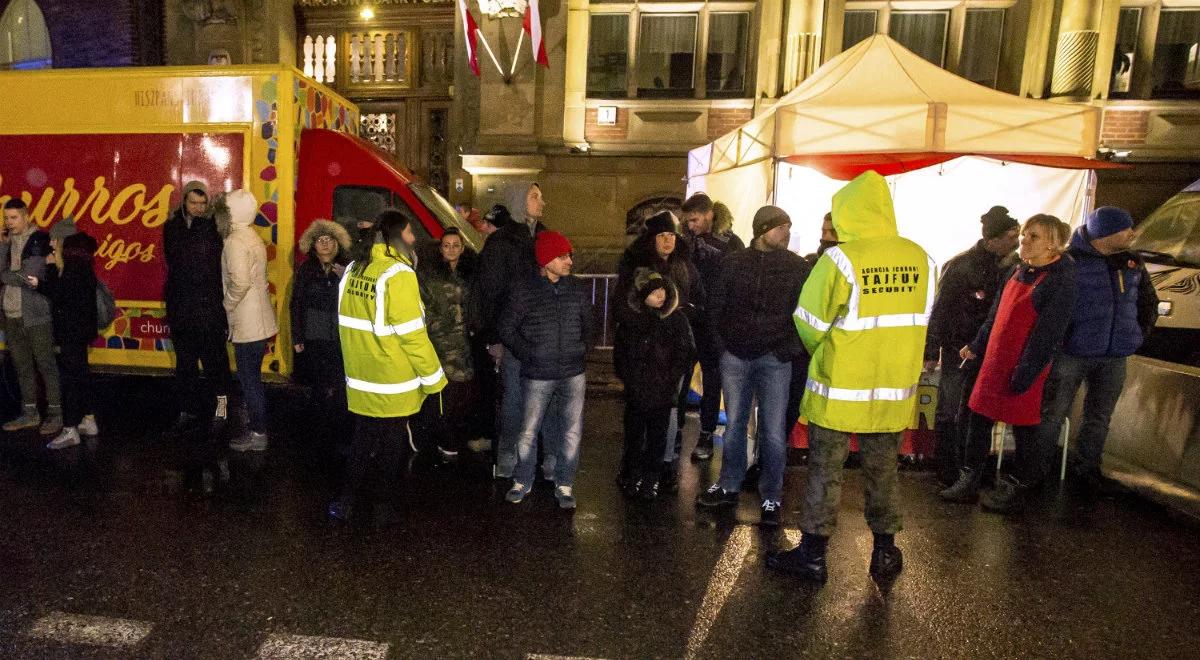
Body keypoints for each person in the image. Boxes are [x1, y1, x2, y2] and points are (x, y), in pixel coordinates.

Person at [769, 171, 935, 583]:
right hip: (892, 391)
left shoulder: (840, 259)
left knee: (825, 472)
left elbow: (808, 321)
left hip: (840, 388)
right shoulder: (919, 257)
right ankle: (884, 552)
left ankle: (813, 556)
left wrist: (826, 352)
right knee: (883, 472)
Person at [939, 215, 1076, 512]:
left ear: (1054, 245)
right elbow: (995, 316)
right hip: (994, 361)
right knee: (977, 420)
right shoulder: (1016, 270)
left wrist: (1024, 374)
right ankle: (968, 480)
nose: (1024, 240)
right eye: (1025, 234)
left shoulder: (1061, 282)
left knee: (1025, 430)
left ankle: (1016, 488)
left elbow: (1046, 336)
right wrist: (976, 346)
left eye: (1034, 237)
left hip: (1025, 365)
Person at [695, 206, 810, 527]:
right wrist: (722, 347)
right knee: (734, 426)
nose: (787, 233)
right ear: (763, 230)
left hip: (775, 358)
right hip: (736, 356)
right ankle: (729, 484)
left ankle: (771, 493)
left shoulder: (797, 267)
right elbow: (714, 306)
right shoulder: (732, 263)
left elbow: (806, 313)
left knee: (773, 432)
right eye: (782, 227)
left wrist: (789, 348)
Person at [329, 209, 447, 521]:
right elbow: (413, 336)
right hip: (392, 379)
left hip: (361, 375)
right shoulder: (398, 274)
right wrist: (435, 380)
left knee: (362, 440)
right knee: (392, 446)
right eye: (409, 233)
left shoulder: (355, 267)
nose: (414, 239)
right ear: (395, 237)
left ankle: (346, 501)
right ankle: (383, 506)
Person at [1038, 206, 1158, 494]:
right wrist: (1062, 339)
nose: (1132, 233)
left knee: (1100, 416)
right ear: (1105, 232)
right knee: (1053, 413)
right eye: (1126, 228)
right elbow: (1048, 304)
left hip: (1114, 355)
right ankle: (1036, 472)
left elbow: (1148, 302)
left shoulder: (1131, 262)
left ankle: (1086, 469)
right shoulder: (1068, 261)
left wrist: (1137, 336)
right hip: (1071, 352)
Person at [923, 206, 1019, 484]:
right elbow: (941, 309)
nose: (1017, 242)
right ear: (992, 240)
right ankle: (947, 467)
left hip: (991, 350)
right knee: (950, 408)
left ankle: (972, 468)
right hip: (959, 349)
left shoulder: (1013, 268)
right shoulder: (961, 266)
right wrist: (932, 349)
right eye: (1012, 236)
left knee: (977, 409)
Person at [499, 230, 591, 509]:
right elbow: (507, 328)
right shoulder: (524, 289)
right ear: (546, 258)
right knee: (528, 429)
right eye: (562, 256)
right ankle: (522, 480)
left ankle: (564, 483)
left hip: (573, 372)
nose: (569, 262)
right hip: (538, 372)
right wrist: (529, 353)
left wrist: (581, 350)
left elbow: (590, 324)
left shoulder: (576, 287)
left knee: (572, 430)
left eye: (569, 256)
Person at [469, 185, 554, 479]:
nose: (541, 201)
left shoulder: (544, 236)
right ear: (519, 201)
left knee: (542, 399)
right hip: (512, 337)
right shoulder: (502, 242)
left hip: (541, 335)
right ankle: (508, 458)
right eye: (534, 196)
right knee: (514, 401)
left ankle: (537, 457)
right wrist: (493, 338)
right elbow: (489, 293)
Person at [615, 210, 703, 480]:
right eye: (662, 235)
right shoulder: (635, 265)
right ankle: (633, 466)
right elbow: (622, 304)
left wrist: (686, 317)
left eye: (672, 235)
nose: (668, 241)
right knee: (638, 410)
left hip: (673, 348)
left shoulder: (684, 264)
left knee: (670, 408)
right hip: (641, 348)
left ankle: (662, 466)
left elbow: (697, 296)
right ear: (651, 238)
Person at [613, 269, 696, 500]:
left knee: (658, 437)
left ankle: (652, 478)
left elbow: (685, 353)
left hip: (663, 390)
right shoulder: (631, 321)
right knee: (634, 435)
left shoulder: (676, 320)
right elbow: (621, 356)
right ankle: (632, 474)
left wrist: (670, 379)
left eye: (662, 290)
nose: (660, 295)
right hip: (638, 389)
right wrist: (631, 380)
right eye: (653, 291)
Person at [162, 181, 231, 436]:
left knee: (216, 363)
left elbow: (207, 264)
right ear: (184, 202)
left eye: (203, 203)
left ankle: (221, 408)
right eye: (193, 203)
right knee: (185, 364)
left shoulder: (213, 227)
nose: (199, 208)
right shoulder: (172, 226)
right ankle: (187, 410)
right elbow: (175, 262)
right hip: (182, 307)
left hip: (208, 307)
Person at [680, 193, 743, 461]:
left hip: (717, 323)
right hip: (692, 319)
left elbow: (738, 282)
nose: (691, 225)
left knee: (715, 378)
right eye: (688, 221)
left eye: (694, 220)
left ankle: (708, 434)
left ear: (708, 214)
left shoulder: (731, 243)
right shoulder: (690, 241)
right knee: (686, 375)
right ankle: (680, 430)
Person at [27, 218, 99, 448]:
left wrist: (42, 278)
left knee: (70, 379)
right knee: (82, 375)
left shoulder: (72, 266)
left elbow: (61, 296)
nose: (51, 243)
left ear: (64, 241)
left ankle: (70, 429)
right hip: (81, 330)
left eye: (55, 239)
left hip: (71, 331)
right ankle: (88, 420)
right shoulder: (81, 262)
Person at [219, 189, 278, 452]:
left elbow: (240, 282)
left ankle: (257, 433)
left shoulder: (234, 241)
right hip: (260, 320)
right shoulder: (252, 237)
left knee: (249, 381)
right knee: (252, 378)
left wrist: (226, 305)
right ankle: (259, 430)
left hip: (247, 321)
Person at [0, 199, 62, 435]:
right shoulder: (7, 241)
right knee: (22, 366)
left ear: (26, 216)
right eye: (6, 218)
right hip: (11, 313)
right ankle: (30, 414)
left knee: (46, 365)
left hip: (36, 315)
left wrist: (8, 275)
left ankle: (56, 415)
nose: (9, 222)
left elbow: (30, 275)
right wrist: (3, 247)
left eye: (14, 217)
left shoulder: (38, 238)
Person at [418, 227, 478, 460]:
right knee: (445, 393)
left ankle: (455, 435)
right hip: (440, 343)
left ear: (462, 249)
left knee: (464, 392)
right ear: (440, 248)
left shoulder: (470, 274)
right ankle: (444, 438)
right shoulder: (430, 276)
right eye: (446, 245)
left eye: (455, 245)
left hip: (466, 343)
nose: (451, 249)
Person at [290, 219, 351, 436]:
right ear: (312, 244)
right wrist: (297, 336)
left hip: (340, 335)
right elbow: (297, 303)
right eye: (320, 240)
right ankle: (317, 428)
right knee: (317, 383)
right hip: (314, 335)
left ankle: (340, 426)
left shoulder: (348, 266)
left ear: (338, 243)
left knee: (340, 383)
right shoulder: (307, 269)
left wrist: (346, 278)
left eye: (330, 240)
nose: (325, 244)